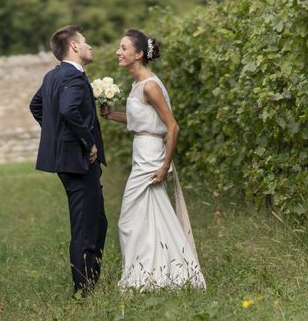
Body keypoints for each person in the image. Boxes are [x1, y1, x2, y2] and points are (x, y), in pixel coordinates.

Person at [101, 28, 205, 291]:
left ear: (138, 54)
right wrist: (112, 115)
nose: (118, 52)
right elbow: (144, 121)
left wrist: (165, 165)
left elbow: (172, 126)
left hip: (151, 156)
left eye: (123, 48)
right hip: (142, 150)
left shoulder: (150, 85)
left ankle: (148, 275)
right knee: (148, 216)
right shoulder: (138, 84)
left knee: (128, 219)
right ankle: (157, 274)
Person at [29, 25, 107, 298]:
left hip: (68, 159)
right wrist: (88, 142)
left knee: (97, 222)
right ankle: (83, 291)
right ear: (74, 46)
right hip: (79, 160)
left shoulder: (52, 76)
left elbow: (36, 106)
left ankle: (90, 281)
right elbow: (68, 109)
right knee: (86, 226)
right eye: (85, 42)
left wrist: (58, 137)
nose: (89, 46)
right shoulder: (73, 78)